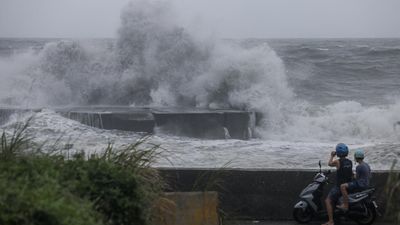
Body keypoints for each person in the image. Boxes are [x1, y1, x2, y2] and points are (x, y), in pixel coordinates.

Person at [322, 143, 353, 225]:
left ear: (338, 152)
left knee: (328, 200)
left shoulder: (337, 162)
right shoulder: (350, 162)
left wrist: (332, 155)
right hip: (349, 185)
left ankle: (331, 221)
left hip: (340, 187)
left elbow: (329, 164)